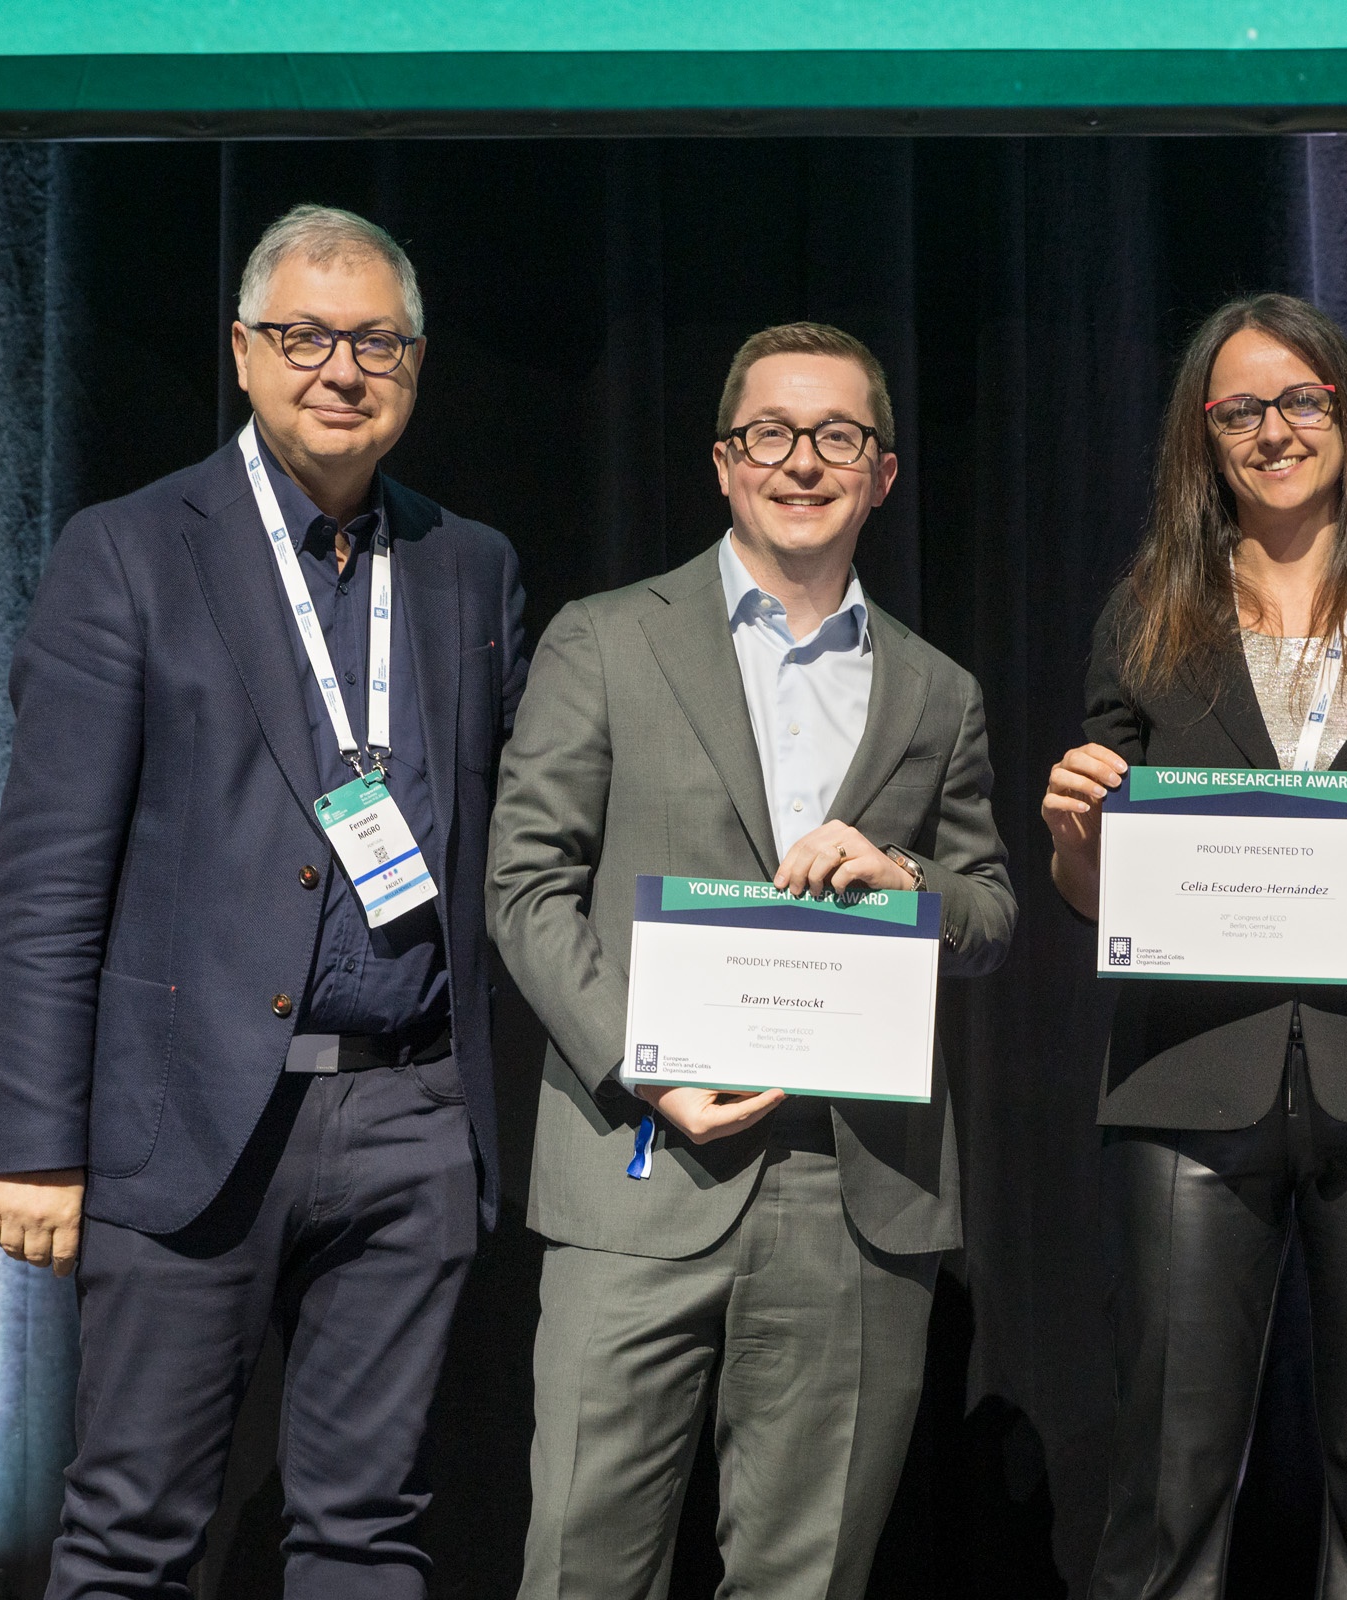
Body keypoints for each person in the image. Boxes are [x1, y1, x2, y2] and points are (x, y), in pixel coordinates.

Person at [0, 203, 529, 1598]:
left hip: (409, 1118)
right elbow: (47, 878)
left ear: (416, 364)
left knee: (368, 1532)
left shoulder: (469, 567)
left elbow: (528, 827)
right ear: (242, 350)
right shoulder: (128, 551)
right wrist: (33, 1144)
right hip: (190, 1121)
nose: (341, 370)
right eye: (304, 337)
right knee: (129, 1535)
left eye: (376, 342)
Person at [488, 321, 1016, 1599]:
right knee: (580, 1570)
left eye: (838, 436)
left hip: (854, 1193)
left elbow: (992, 912)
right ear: (726, 463)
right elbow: (525, 884)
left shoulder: (937, 691)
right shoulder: (605, 638)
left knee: (805, 1579)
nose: (803, 462)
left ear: (882, 473)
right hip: (641, 1164)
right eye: (771, 434)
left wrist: (911, 886)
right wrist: (642, 1064)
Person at [1042, 292, 1347, 1598]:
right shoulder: (1149, 613)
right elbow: (1101, 893)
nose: (1275, 429)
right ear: (1203, 438)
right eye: (1241, 408)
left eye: (1301, 399)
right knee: (1167, 1476)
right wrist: (1076, 832)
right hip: (1188, 1076)